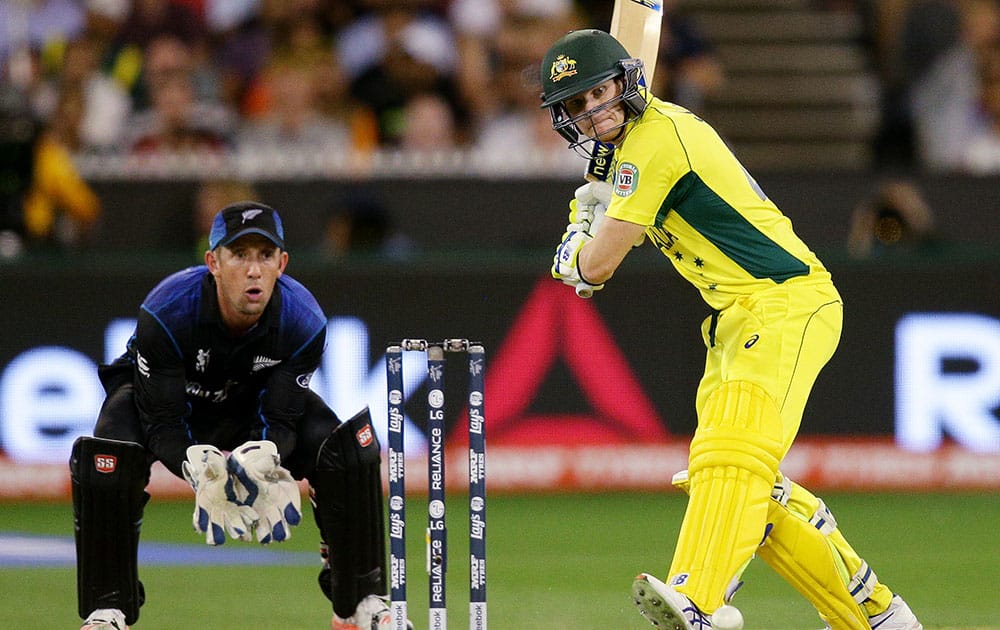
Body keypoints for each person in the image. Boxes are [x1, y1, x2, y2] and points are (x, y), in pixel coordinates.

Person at [540, 29, 922, 630]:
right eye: (577, 105)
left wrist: (577, 234)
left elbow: (595, 268)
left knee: (730, 459)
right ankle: (876, 617)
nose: (594, 111)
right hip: (736, 317)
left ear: (626, 82)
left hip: (784, 303)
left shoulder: (654, 141)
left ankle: (698, 599)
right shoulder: (636, 148)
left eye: (601, 93)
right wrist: (592, 215)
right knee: (744, 489)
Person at [70, 201, 410, 630]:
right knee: (109, 452)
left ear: (282, 264)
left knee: (347, 447)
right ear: (213, 261)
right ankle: (108, 609)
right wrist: (199, 471)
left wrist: (266, 457)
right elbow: (162, 424)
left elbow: (282, 419)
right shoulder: (167, 312)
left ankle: (360, 603)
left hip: (252, 405)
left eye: (265, 256)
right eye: (239, 255)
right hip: (175, 407)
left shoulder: (303, 321)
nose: (254, 271)